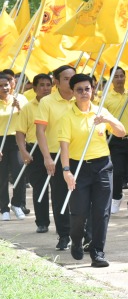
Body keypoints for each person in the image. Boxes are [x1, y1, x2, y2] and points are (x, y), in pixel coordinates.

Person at [59, 73, 126, 267]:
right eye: (79, 90)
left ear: (93, 90)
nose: (83, 93)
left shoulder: (100, 111)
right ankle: (77, 239)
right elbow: (64, 146)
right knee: (79, 212)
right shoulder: (67, 117)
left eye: (87, 89)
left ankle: (97, 251)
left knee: (101, 212)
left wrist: (108, 120)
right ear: (73, 92)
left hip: (103, 166)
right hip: (78, 167)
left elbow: (121, 132)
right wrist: (66, 171)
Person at [34, 65, 75, 251]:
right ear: (56, 82)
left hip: (78, 155)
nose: (71, 82)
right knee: (60, 197)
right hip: (55, 155)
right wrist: (46, 158)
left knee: (81, 197)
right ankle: (64, 235)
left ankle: (85, 235)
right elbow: (40, 131)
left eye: (72, 78)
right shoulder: (47, 102)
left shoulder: (81, 98)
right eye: (66, 79)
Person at [16, 74, 53, 232]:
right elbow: (20, 132)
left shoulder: (57, 105)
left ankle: (65, 224)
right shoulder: (28, 108)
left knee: (61, 188)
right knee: (40, 187)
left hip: (55, 149)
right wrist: (23, 151)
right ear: (35, 88)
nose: (46, 88)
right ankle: (42, 222)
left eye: (48, 85)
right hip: (35, 151)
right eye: (42, 85)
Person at [105, 67, 128, 217]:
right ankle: (117, 196)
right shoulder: (106, 97)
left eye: (121, 76)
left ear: (125, 78)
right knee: (117, 172)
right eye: (116, 76)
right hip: (115, 140)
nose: (119, 79)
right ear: (111, 79)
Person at [0, 73, 26, 220]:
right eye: (0, 86)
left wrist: (20, 108)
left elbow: (29, 118)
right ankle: (4, 208)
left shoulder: (20, 98)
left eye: (6, 84)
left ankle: (17, 204)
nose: (4, 88)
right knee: (1, 176)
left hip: (17, 139)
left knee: (19, 173)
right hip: (0, 141)